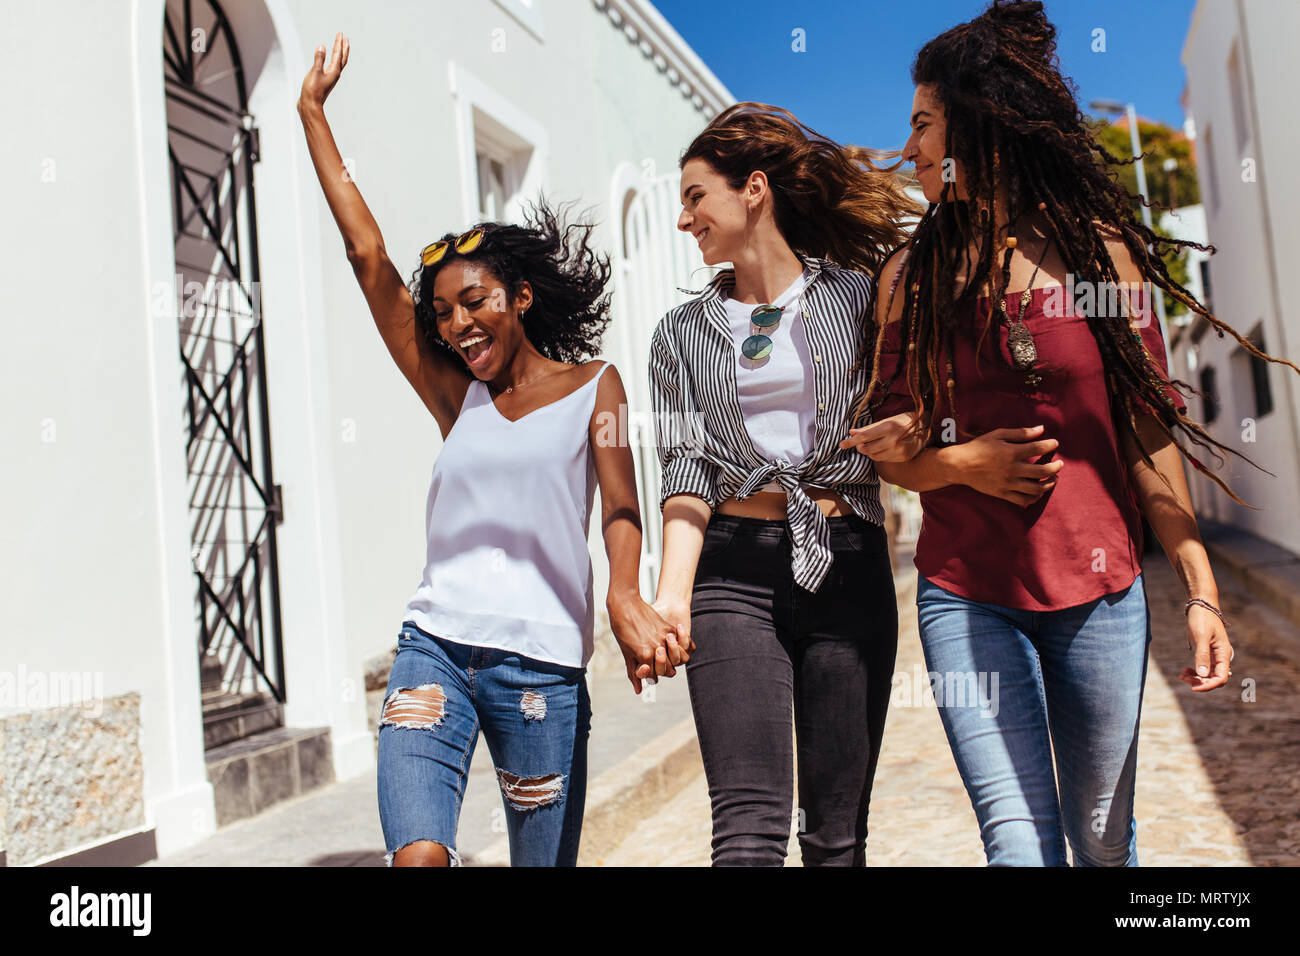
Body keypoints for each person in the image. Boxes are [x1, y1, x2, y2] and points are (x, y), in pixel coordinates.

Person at [846, 0, 1300, 866]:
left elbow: (1147, 430)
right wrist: (958, 464)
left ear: (981, 125)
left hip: (1101, 592)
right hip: (966, 590)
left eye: (925, 123)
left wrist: (1200, 584)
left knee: (1099, 842)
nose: (910, 148)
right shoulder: (908, 277)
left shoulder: (1103, 260)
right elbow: (897, 453)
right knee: (1018, 848)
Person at [298, 33, 682, 867]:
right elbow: (369, 257)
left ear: (519, 297)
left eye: (473, 302)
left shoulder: (597, 389)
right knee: (419, 858)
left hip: (540, 671)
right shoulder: (455, 395)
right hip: (432, 648)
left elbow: (621, 504)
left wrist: (625, 593)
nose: (457, 325)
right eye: (441, 313)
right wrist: (311, 115)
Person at [650, 102, 923, 865]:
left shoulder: (857, 296)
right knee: (745, 833)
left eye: (695, 197)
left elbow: (912, 401)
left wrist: (913, 431)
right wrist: (671, 595)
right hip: (731, 572)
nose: (684, 219)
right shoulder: (678, 335)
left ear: (754, 190)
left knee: (836, 838)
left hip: (848, 559)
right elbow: (685, 471)